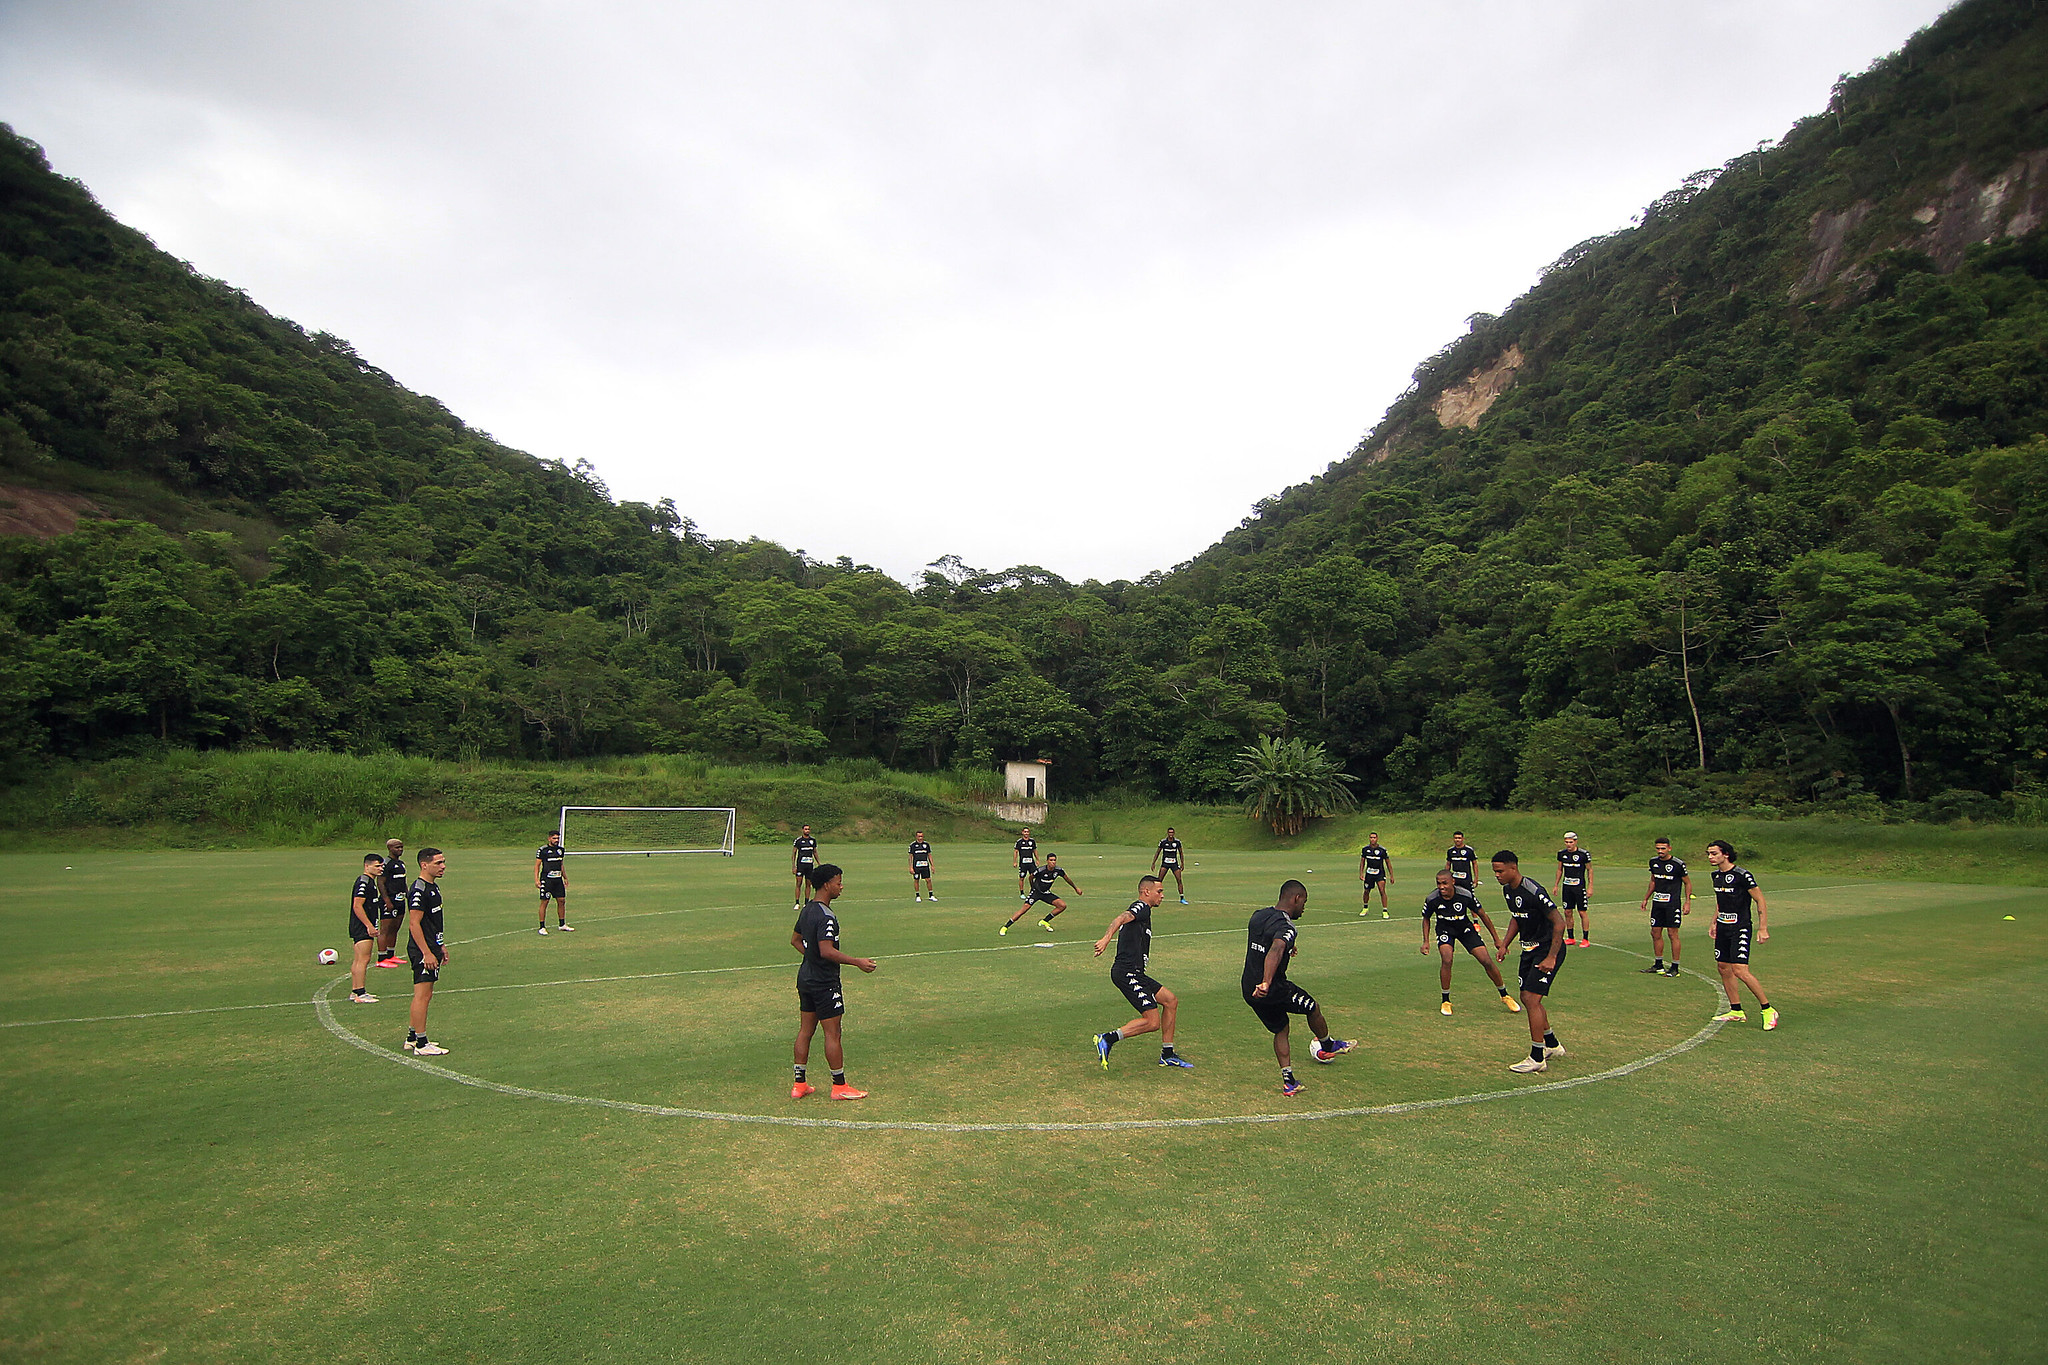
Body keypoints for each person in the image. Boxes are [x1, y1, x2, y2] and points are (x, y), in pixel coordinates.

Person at [1242, 880, 1356, 1096]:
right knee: (1312, 1007)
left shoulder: (1258, 915)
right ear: (1296, 898)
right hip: (1272, 988)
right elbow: (1275, 948)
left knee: (1281, 1028)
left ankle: (1289, 1082)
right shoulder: (1287, 927)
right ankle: (1328, 1044)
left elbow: (1266, 942)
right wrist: (1266, 981)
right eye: (1304, 902)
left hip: (1249, 988)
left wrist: (1287, 949)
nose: (1304, 907)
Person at [790, 863, 876, 1100]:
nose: (841, 886)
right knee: (833, 1033)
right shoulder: (827, 916)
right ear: (827, 884)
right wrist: (856, 961)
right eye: (838, 882)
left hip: (805, 978)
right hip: (824, 982)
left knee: (806, 1031)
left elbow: (795, 940)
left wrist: (811, 958)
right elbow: (827, 951)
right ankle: (839, 1086)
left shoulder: (807, 909)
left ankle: (799, 1085)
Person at [1092, 876, 1190, 1069]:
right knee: (1152, 1022)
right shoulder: (1141, 907)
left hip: (1137, 973)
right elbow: (1121, 918)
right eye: (1159, 891)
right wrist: (1105, 939)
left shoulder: (1145, 912)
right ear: (1147, 892)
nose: (1162, 895)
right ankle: (1107, 1039)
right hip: (1127, 972)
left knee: (1170, 1001)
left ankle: (1167, 1054)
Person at [1492, 850, 1567, 1074]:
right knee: (1527, 998)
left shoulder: (1533, 890)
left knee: (1531, 999)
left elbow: (1559, 923)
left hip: (1545, 949)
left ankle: (1537, 1057)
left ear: (1513, 868)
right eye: (1495, 871)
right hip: (1529, 950)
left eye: (1500, 871)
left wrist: (1551, 956)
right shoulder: (1508, 890)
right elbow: (1517, 916)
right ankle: (1552, 1044)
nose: (1497, 875)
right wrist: (1505, 944)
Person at [1419, 868, 1516, 1015]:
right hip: (1445, 930)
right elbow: (1426, 918)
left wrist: (1497, 939)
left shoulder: (1465, 895)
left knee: (1486, 961)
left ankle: (1505, 995)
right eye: (1438, 884)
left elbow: (1483, 915)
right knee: (1447, 959)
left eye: (1444, 883)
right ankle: (1446, 1001)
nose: (1441, 887)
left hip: (1465, 929)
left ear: (1453, 882)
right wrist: (1426, 941)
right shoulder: (1432, 898)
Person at [1704, 840, 1778, 1029]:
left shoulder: (1742, 875)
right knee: (1723, 967)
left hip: (1740, 927)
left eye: (1714, 853)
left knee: (1740, 970)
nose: (1710, 857)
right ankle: (1736, 1010)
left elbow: (1760, 900)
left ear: (1725, 854)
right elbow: (1721, 901)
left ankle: (1768, 1009)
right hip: (1723, 927)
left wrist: (1763, 928)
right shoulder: (1716, 876)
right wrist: (1714, 921)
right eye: (1709, 854)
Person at [404, 847, 451, 1057]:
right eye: (438, 863)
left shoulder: (434, 887)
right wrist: (427, 953)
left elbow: (433, 922)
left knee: (425, 994)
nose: (443, 866)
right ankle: (422, 1044)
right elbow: (414, 924)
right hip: (422, 949)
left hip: (432, 946)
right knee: (422, 996)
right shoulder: (419, 889)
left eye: (443, 862)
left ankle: (412, 1037)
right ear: (425, 865)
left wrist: (440, 946)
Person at [1639, 838, 1691, 977]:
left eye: (1663, 848)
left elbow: (1687, 883)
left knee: (1672, 934)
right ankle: (1658, 964)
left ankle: (1675, 967)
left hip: (1672, 904)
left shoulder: (1678, 864)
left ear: (1669, 848)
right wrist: (1646, 898)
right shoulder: (1653, 862)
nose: (1660, 851)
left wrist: (1687, 902)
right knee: (1655, 932)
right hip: (1657, 903)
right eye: (1658, 848)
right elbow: (1653, 881)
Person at [1000, 854, 1081, 935]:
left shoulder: (1058, 870)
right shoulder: (1041, 870)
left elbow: (1067, 879)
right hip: (1036, 893)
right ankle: (1005, 927)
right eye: (1051, 860)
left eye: (1054, 860)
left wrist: (1076, 888)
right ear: (1047, 861)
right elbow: (1030, 877)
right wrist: (1033, 887)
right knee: (1023, 910)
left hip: (1046, 893)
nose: (1053, 862)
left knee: (1062, 905)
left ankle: (1044, 921)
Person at [346, 854, 383, 1004]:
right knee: (363, 958)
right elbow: (357, 905)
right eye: (377, 866)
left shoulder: (370, 882)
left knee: (359, 958)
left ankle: (355, 991)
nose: (380, 868)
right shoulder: (364, 882)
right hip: (362, 926)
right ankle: (360, 993)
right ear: (366, 866)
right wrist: (369, 925)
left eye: (381, 866)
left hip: (363, 925)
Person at [1554, 832, 1594, 946]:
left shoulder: (1583, 854)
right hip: (1567, 887)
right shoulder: (1562, 854)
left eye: (1570, 842)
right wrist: (1556, 885)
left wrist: (1590, 887)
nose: (1568, 844)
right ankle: (1571, 937)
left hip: (1579, 887)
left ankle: (1585, 939)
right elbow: (1559, 870)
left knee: (1582, 912)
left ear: (1575, 842)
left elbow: (1589, 870)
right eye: (1566, 842)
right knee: (1567, 911)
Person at [375, 838, 408, 969]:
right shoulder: (386, 864)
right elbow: (380, 882)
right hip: (389, 900)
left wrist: (408, 895)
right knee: (385, 929)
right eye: (397, 847)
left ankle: (391, 955)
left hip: (400, 900)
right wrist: (386, 900)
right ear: (389, 848)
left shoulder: (401, 864)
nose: (400, 850)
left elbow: (402, 881)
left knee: (395, 928)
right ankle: (381, 958)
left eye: (401, 847)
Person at [534, 830, 573, 935]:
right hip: (547, 880)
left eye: (557, 838)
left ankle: (562, 924)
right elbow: (537, 865)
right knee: (545, 902)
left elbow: (561, 864)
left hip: (558, 879)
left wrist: (565, 877)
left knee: (561, 901)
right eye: (554, 838)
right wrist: (536, 880)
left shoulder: (561, 850)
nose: (556, 840)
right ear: (549, 838)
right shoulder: (543, 850)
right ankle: (542, 927)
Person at [1359, 834, 1392, 917]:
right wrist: (1361, 873)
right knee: (1366, 891)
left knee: (1382, 890)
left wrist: (1391, 875)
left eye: (1374, 838)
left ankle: (1385, 910)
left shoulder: (1382, 850)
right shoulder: (1365, 849)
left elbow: (1388, 862)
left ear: (1377, 838)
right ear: (1369, 839)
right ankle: (1365, 908)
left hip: (1379, 873)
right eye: (1371, 838)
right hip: (1369, 873)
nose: (1372, 839)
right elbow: (1362, 861)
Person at [1151, 827, 1188, 904]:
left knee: (1179, 880)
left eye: (1172, 833)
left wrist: (1182, 863)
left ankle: (1182, 898)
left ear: (1174, 833)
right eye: (1169, 833)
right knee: (1159, 880)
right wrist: (1153, 863)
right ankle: (1154, 896)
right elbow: (1157, 852)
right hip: (1165, 864)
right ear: (1167, 833)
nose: (1171, 834)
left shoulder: (1177, 842)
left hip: (1174, 864)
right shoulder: (1163, 842)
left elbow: (1181, 853)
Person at [790, 825, 818, 911]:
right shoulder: (798, 841)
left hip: (809, 866)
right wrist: (793, 866)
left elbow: (815, 852)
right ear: (802, 830)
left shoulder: (812, 841)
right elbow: (794, 853)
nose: (807, 830)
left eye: (808, 829)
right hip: (800, 866)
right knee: (799, 883)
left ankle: (806, 902)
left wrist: (819, 863)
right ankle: (797, 902)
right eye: (805, 829)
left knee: (808, 884)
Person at [908, 831, 936, 902]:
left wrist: (932, 865)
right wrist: (910, 867)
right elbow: (910, 857)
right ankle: (917, 895)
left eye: (921, 836)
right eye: (919, 836)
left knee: (928, 880)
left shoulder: (926, 845)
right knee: (916, 880)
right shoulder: (913, 845)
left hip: (925, 866)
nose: (920, 838)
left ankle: (931, 895)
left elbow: (929, 855)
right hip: (916, 866)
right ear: (916, 837)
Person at [1014, 827, 1039, 901]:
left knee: (1034, 876)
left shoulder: (1032, 841)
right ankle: (1022, 893)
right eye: (1025, 832)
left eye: (1027, 832)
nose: (1026, 833)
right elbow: (1016, 852)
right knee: (1022, 877)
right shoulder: (1019, 842)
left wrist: (1037, 859)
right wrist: (1015, 861)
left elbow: (1034, 850)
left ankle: (1033, 890)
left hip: (1031, 863)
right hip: (1023, 864)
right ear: (1022, 833)